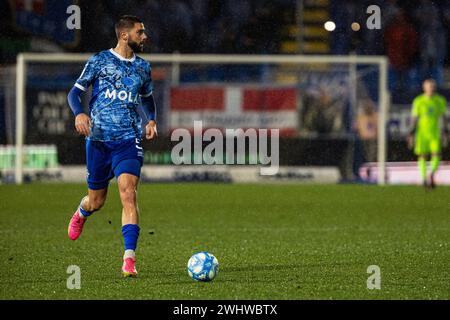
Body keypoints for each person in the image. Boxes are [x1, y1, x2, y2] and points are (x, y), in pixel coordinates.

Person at [66, 15, 157, 277]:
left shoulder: (143, 68)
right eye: (141, 32)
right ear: (125, 35)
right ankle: (82, 212)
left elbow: (148, 99)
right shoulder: (99, 61)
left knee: (128, 193)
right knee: (97, 201)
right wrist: (79, 113)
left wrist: (151, 119)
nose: (145, 37)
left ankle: (129, 259)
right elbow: (75, 92)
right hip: (98, 141)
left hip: (128, 139)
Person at [408, 79, 448, 188]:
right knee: (422, 156)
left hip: (435, 133)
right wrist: (411, 133)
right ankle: (424, 177)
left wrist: (446, 132)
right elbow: (414, 118)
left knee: (437, 154)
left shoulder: (440, 100)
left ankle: (431, 174)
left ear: (435, 88)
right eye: (429, 87)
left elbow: (444, 117)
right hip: (422, 134)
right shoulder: (419, 101)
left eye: (432, 86)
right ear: (424, 88)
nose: (431, 88)